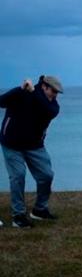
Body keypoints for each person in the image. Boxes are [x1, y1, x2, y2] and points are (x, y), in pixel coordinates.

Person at [0, 75, 63, 229]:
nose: (55, 95)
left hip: (35, 146)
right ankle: (18, 216)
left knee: (46, 175)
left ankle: (39, 210)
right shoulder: (22, 94)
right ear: (44, 87)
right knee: (18, 176)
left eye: (56, 93)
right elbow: (1, 102)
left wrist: (33, 91)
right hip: (12, 143)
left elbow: (43, 108)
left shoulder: (53, 107)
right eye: (53, 91)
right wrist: (19, 90)